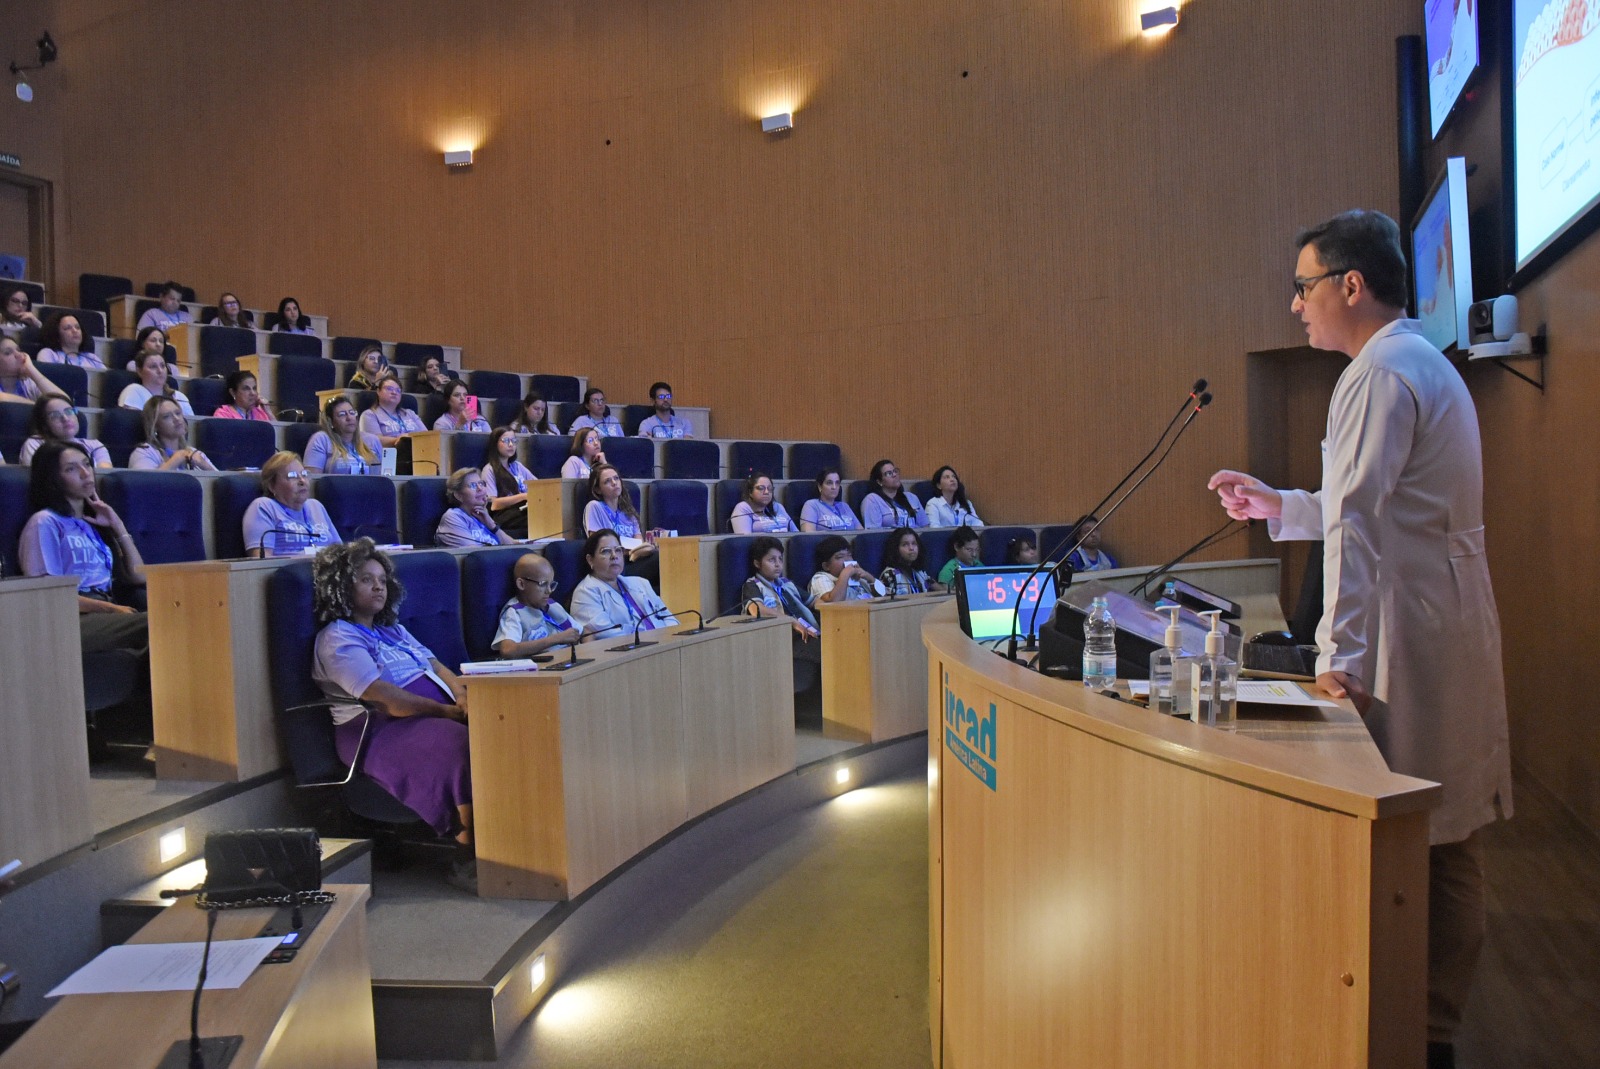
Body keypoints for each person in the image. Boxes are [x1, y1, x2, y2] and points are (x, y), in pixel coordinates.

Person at [1206, 209, 1511, 1068]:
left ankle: (1426, 1031)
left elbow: (1363, 526)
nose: (1295, 305)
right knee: (1445, 829)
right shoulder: (1410, 361)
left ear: (1350, 284)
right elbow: (1368, 506)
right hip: (1431, 613)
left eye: (1304, 286)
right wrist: (1280, 505)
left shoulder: (1379, 373)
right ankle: (1430, 1022)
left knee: (1434, 835)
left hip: (1410, 629)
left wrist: (1337, 661)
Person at [310, 538, 474, 889]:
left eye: (382, 580)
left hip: (432, 716)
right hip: (376, 730)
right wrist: (447, 713)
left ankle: (514, 838)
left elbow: (435, 665)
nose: (378, 587)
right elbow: (385, 699)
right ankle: (466, 855)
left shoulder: (393, 630)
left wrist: (461, 695)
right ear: (341, 584)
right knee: (461, 746)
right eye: (366, 579)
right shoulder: (337, 637)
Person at [19, 440, 149, 660]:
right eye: (71, 469)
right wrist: (110, 609)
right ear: (53, 478)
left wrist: (118, 526)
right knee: (158, 622)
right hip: (72, 618)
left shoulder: (94, 523)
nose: (84, 473)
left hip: (107, 608)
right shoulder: (45, 522)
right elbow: (49, 595)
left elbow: (139, 576)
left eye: (86, 464)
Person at [740, 536, 821, 690]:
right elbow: (757, 609)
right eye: (771, 560)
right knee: (826, 649)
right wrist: (790, 620)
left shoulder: (787, 583)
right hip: (785, 639)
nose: (778, 565)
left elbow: (815, 602)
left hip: (810, 633)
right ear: (757, 563)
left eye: (780, 559)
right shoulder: (753, 585)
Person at [568, 529, 676, 638]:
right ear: (590, 560)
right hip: (632, 650)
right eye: (606, 551)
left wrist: (671, 637)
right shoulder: (585, 593)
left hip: (664, 643)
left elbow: (669, 618)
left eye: (618, 550)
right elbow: (608, 634)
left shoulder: (640, 583)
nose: (614, 556)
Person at [244, 451, 341, 557]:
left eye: (304, 474)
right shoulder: (263, 507)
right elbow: (260, 562)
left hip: (327, 571)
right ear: (272, 486)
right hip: (288, 572)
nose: (302, 481)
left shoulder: (316, 506)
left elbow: (339, 551)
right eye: (292, 476)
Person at [492, 553, 582, 658]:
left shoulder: (552, 605)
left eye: (551, 585)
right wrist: (556, 639)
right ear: (521, 584)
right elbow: (508, 650)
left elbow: (578, 632)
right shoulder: (514, 613)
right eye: (543, 584)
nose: (549, 591)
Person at [582, 463, 658, 580]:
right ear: (598, 489)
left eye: (616, 478)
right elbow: (598, 546)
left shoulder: (629, 512)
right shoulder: (594, 507)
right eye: (607, 481)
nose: (614, 483)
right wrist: (631, 552)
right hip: (614, 565)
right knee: (661, 561)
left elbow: (639, 544)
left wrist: (642, 550)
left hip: (634, 560)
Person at [19, 395, 112, 468]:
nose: (65, 418)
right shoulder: (35, 444)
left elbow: (102, 476)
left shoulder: (95, 446)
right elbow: (39, 479)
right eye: (55, 415)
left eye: (69, 411)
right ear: (44, 424)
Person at [435, 467, 518, 548]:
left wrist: (492, 525)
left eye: (481, 483)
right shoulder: (453, 517)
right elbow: (474, 554)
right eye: (473, 485)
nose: (480, 488)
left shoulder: (483, 516)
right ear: (458, 496)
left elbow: (514, 546)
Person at [129, 396, 216, 471]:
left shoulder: (195, 453)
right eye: (167, 416)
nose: (176, 419)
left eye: (178, 413)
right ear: (155, 425)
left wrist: (205, 465)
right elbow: (143, 485)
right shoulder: (144, 452)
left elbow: (222, 483)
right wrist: (175, 461)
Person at [305, 395, 382, 474]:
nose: (349, 418)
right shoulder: (321, 439)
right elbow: (312, 479)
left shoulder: (372, 440)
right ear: (331, 422)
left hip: (370, 486)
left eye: (352, 413)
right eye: (342, 414)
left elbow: (383, 475)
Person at [482, 426, 536, 537]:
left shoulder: (517, 466)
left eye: (513, 441)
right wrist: (522, 496)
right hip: (504, 514)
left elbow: (537, 486)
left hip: (523, 509)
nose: (511, 444)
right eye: (506, 441)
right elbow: (493, 504)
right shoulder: (489, 469)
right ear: (495, 444)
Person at [808, 535, 886, 605]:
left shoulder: (857, 576)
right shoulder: (821, 578)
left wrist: (869, 578)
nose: (847, 560)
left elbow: (885, 596)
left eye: (849, 555)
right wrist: (845, 575)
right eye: (840, 557)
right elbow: (833, 603)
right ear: (826, 566)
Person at [118, 347, 194, 415]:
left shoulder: (179, 396)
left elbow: (189, 426)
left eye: (163, 366)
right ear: (140, 371)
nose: (160, 370)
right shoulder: (134, 391)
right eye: (153, 366)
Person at [360, 372, 427, 447]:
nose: (394, 392)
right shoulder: (369, 415)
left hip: (418, 453)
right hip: (388, 455)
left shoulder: (410, 413)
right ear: (378, 391)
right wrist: (400, 440)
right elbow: (373, 441)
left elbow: (426, 435)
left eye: (398, 390)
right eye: (389, 389)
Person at [861, 459, 928, 528]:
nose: (894, 475)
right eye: (889, 473)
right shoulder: (872, 500)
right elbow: (874, 533)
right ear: (879, 482)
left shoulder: (912, 497)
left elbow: (925, 527)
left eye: (895, 471)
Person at [0, 336, 64, 403]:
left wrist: (31, 370)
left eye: (18, 350)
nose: (19, 355)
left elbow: (62, 403)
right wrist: (38, 407)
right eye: (8, 353)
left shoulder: (27, 382)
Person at [730, 472, 796, 533]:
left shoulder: (777, 507)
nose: (766, 492)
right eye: (761, 488)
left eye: (770, 488)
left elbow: (796, 533)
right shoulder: (743, 508)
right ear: (750, 492)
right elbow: (745, 540)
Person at [36, 311, 104, 369]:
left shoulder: (92, 358)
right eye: (67, 328)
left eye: (77, 327)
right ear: (56, 334)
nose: (75, 331)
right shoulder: (48, 354)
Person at [879, 527, 933, 595]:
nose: (911, 548)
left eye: (914, 543)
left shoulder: (920, 573)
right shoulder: (890, 574)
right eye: (905, 544)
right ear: (896, 549)